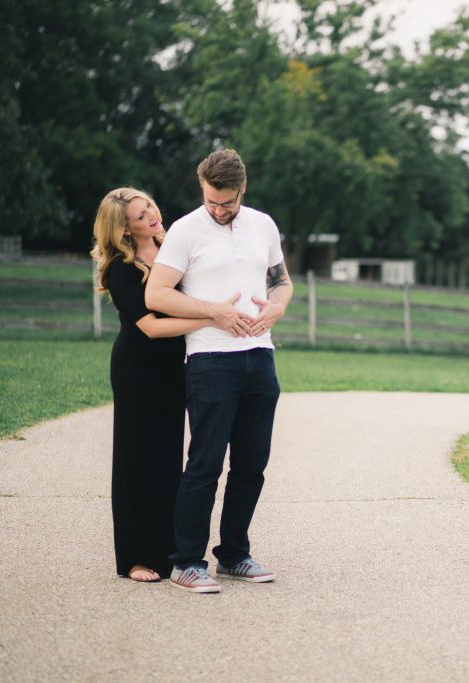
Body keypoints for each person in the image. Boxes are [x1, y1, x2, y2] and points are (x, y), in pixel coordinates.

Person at [146, 149, 293, 594]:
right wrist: (214, 313)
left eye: (226, 202)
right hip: (210, 360)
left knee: (252, 464)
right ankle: (187, 562)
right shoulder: (187, 230)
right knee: (205, 464)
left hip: (260, 357)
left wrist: (277, 307)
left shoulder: (264, 225)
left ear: (242, 189)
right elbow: (157, 294)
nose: (218, 210)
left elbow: (281, 280)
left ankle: (233, 555)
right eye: (211, 201)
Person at [91, 188, 216, 583]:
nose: (152, 216)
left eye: (150, 208)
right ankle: (135, 558)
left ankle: (167, 551)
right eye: (141, 216)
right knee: (136, 460)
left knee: (167, 460)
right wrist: (210, 319)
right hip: (137, 370)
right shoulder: (120, 268)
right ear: (123, 229)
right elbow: (151, 327)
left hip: (173, 369)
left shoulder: (171, 248)